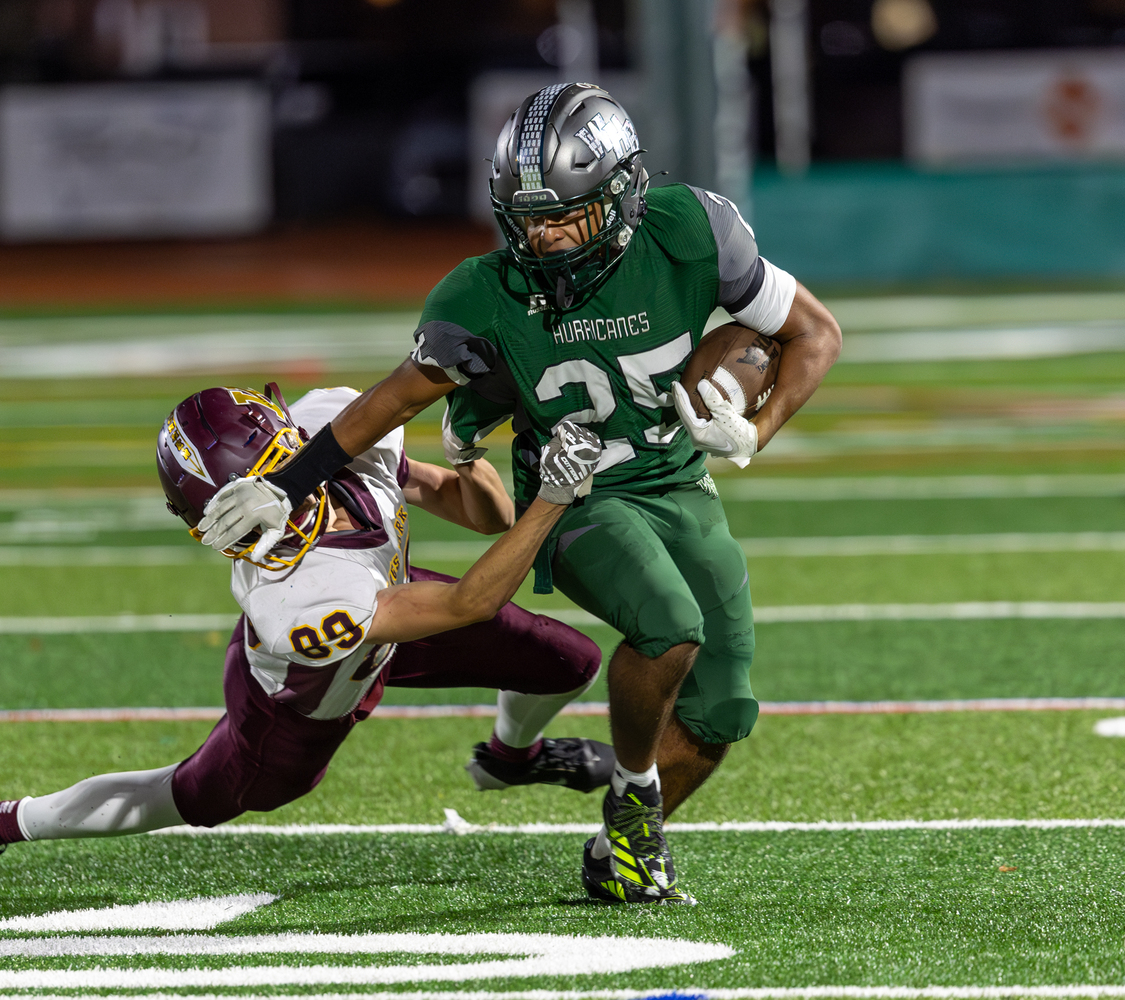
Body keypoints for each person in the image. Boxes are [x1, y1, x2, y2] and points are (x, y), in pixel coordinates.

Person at [194, 84, 843, 905]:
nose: (543, 234)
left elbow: (814, 333)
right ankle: (635, 796)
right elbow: (392, 400)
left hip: (676, 478)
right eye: (527, 216)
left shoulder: (690, 231)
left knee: (723, 704)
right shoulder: (483, 291)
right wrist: (287, 484)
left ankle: (619, 850)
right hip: (574, 496)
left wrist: (757, 431)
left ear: (625, 194)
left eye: (566, 214)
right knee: (669, 627)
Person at [0, 383, 607, 891]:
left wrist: (468, 456)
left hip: (395, 608)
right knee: (189, 793)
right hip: (299, 702)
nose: (247, 536)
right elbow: (468, 602)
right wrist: (553, 497)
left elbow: (480, 516)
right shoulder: (296, 603)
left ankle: (511, 757)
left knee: (568, 660)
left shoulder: (333, 429)